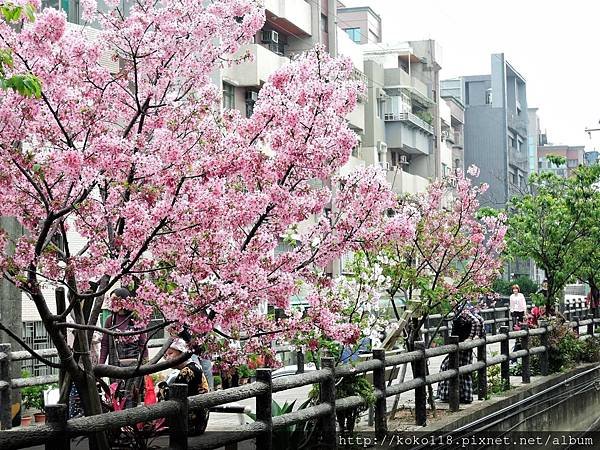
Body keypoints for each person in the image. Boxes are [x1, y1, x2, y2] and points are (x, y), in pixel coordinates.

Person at [99, 288, 148, 408]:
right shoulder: (109, 321)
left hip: (134, 365)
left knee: (131, 396)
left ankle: (132, 424)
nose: (112, 303)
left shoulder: (136, 319)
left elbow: (142, 344)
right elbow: (105, 344)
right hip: (114, 365)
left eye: (115, 300)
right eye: (111, 300)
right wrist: (100, 366)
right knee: (116, 395)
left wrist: (146, 365)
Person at [157, 339, 210, 435]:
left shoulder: (187, 371)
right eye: (166, 356)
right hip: (198, 421)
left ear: (182, 353)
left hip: (190, 423)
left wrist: (162, 386)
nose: (167, 358)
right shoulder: (194, 366)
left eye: (170, 353)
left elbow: (173, 397)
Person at [437, 314, 475, 404]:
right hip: (465, 346)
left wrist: (470, 337)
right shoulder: (464, 316)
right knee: (462, 371)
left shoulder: (465, 316)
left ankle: (449, 395)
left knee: (450, 368)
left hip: (461, 344)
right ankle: (464, 395)